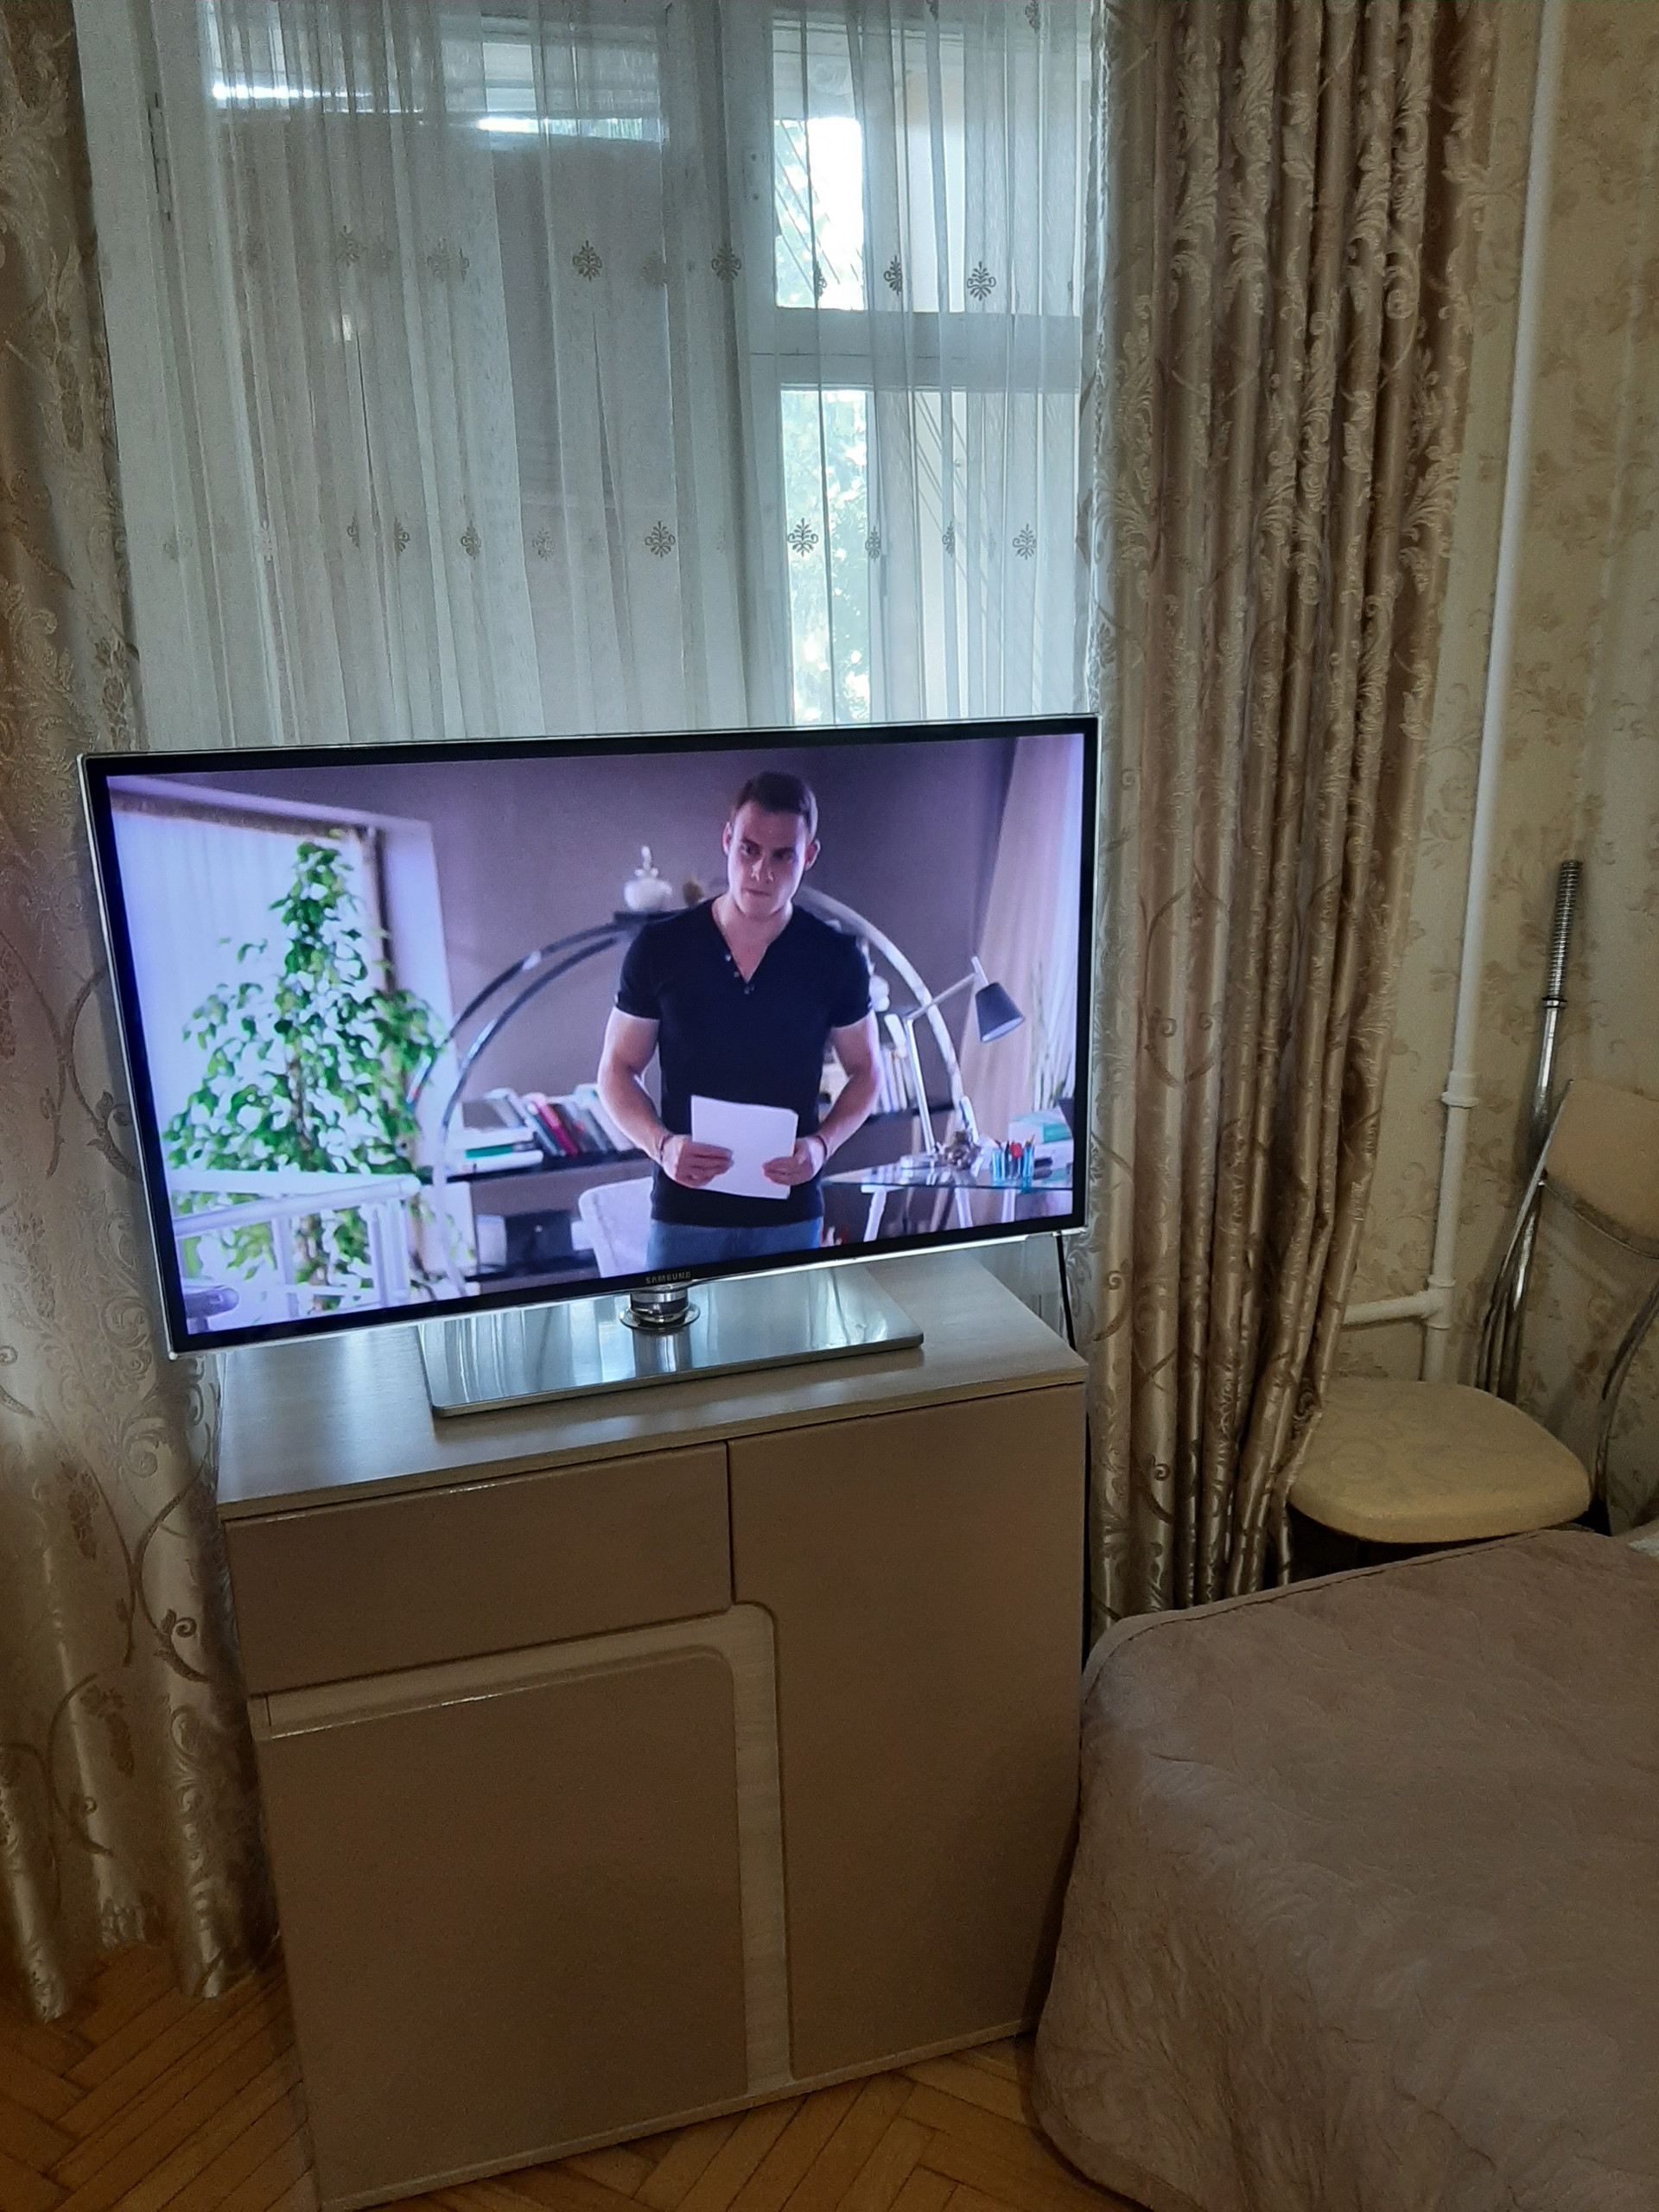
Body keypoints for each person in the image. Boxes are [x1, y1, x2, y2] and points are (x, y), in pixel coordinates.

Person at [597, 770, 880, 1270]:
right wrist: (662, 1146)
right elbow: (616, 1071)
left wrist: (821, 1146)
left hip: (788, 1217)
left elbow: (867, 1072)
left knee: (788, 1328)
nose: (761, 872)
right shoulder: (660, 949)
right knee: (676, 1328)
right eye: (749, 850)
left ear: (808, 856)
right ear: (727, 840)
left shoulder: (836, 958)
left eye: (782, 856)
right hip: (684, 1216)